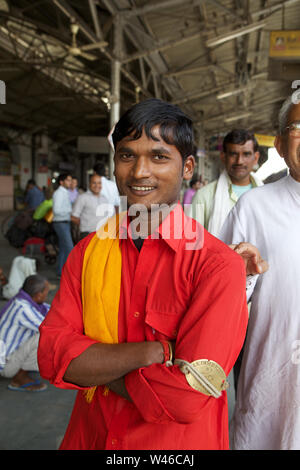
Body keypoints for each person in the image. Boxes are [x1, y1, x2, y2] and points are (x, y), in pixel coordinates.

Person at [38, 98, 250, 451]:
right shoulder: (87, 253)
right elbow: (50, 354)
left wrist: (98, 365)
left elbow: (186, 397)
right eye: (127, 155)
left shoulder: (216, 266)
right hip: (92, 437)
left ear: (188, 168)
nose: (139, 171)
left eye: (159, 156)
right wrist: (149, 353)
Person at [220, 95, 300, 450]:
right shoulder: (255, 207)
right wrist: (242, 276)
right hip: (272, 385)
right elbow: (218, 299)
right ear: (280, 145)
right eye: (299, 128)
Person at [191, 129, 263, 237]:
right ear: (223, 157)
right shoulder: (202, 196)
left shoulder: (266, 197)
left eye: (246, 154)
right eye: (233, 154)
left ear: (256, 157)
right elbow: (191, 243)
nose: (240, 161)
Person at [0, 274, 49, 392]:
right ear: (38, 295)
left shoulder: (22, 299)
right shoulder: (23, 309)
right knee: (45, 337)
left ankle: (23, 367)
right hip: (5, 365)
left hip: (5, 356)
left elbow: (50, 310)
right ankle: (19, 378)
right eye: (46, 292)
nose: (47, 295)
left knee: (44, 333)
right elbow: (49, 328)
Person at [71, 174, 114, 240]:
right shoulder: (82, 198)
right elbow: (73, 217)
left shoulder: (104, 199)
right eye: (94, 183)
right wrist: (85, 224)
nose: (97, 185)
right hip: (87, 235)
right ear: (89, 184)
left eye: (99, 183)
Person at [52, 173, 73, 277]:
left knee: (64, 249)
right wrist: (70, 211)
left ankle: (61, 272)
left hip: (65, 222)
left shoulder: (65, 192)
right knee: (70, 248)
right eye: (68, 180)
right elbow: (56, 210)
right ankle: (71, 274)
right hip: (60, 223)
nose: (70, 182)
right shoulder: (59, 193)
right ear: (61, 182)